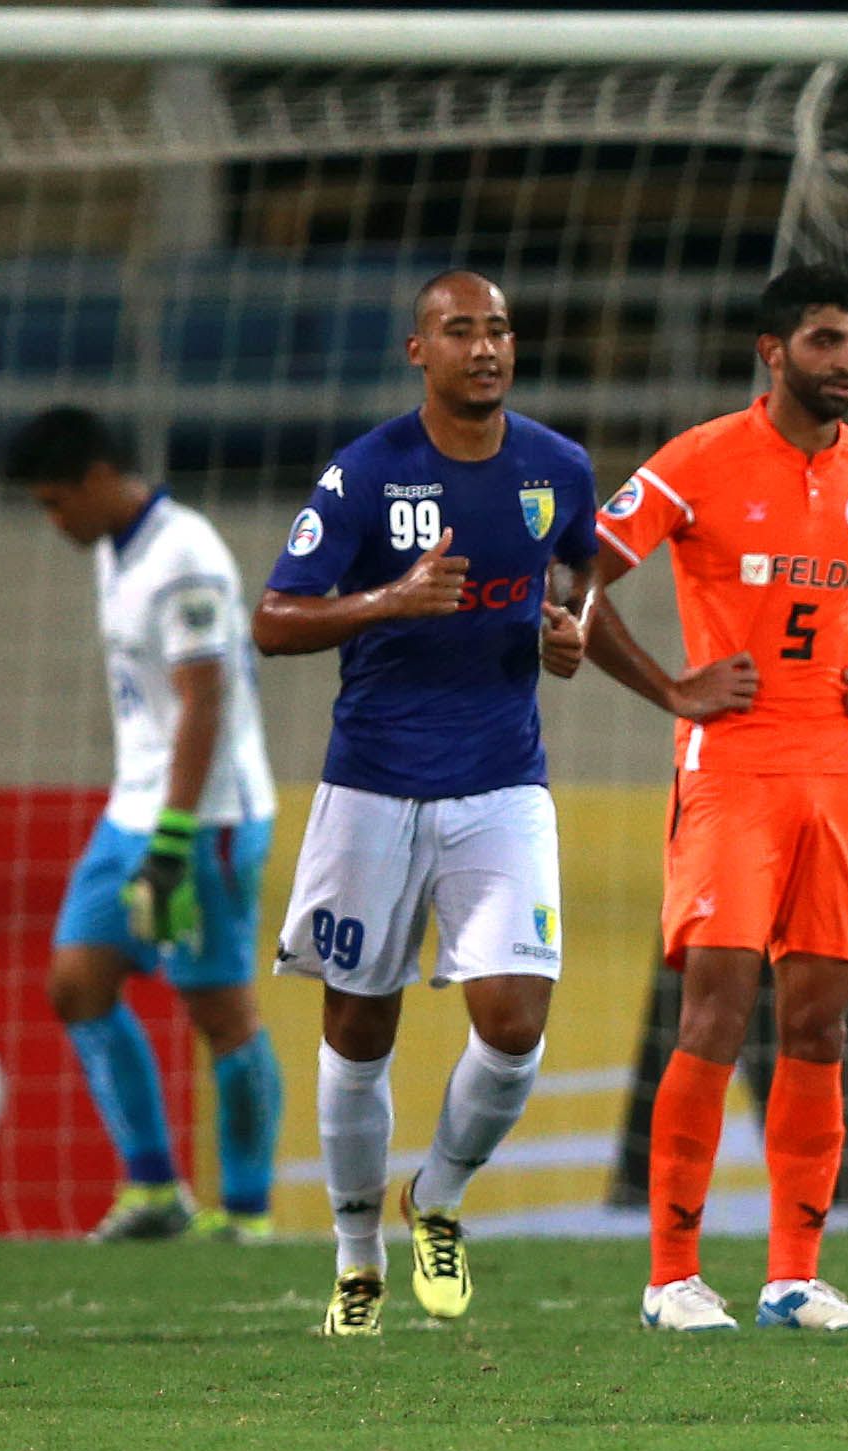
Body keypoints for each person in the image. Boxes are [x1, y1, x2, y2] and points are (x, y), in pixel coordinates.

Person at [585, 261, 848, 1334]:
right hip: (731, 774)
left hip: (842, 776)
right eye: (823, 342)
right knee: (714, 1010)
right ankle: (672, 1277)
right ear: (773, 352)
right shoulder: (698, 462)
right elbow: (577, 575)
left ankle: (793, 1278)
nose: (845, 363)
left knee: (819, 1025)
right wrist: (673, 686)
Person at [254, 269, 598, 1337]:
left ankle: (437, 1197)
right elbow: (273, 619)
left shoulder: (558, 468)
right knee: (360, 1029)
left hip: (504, 784)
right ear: (420, 352)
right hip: (373, 787)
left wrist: (569, 630)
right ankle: (356, 1256)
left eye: (499, 328)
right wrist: (388, 602)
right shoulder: (365, 478)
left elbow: (576, 573)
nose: (485, 348)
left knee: (515, 1022)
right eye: (461, 331)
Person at [10, 406, 284, 1244]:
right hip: (133, 806)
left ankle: (245, 1214)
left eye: (58, 502)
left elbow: (207, 702)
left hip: (204, 819)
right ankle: (156, 1189)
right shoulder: (111, 549)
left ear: (100, 478)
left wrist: (171, 841)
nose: (53, 522)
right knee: (77, 983)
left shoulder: (184, 558)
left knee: (220, 1013)